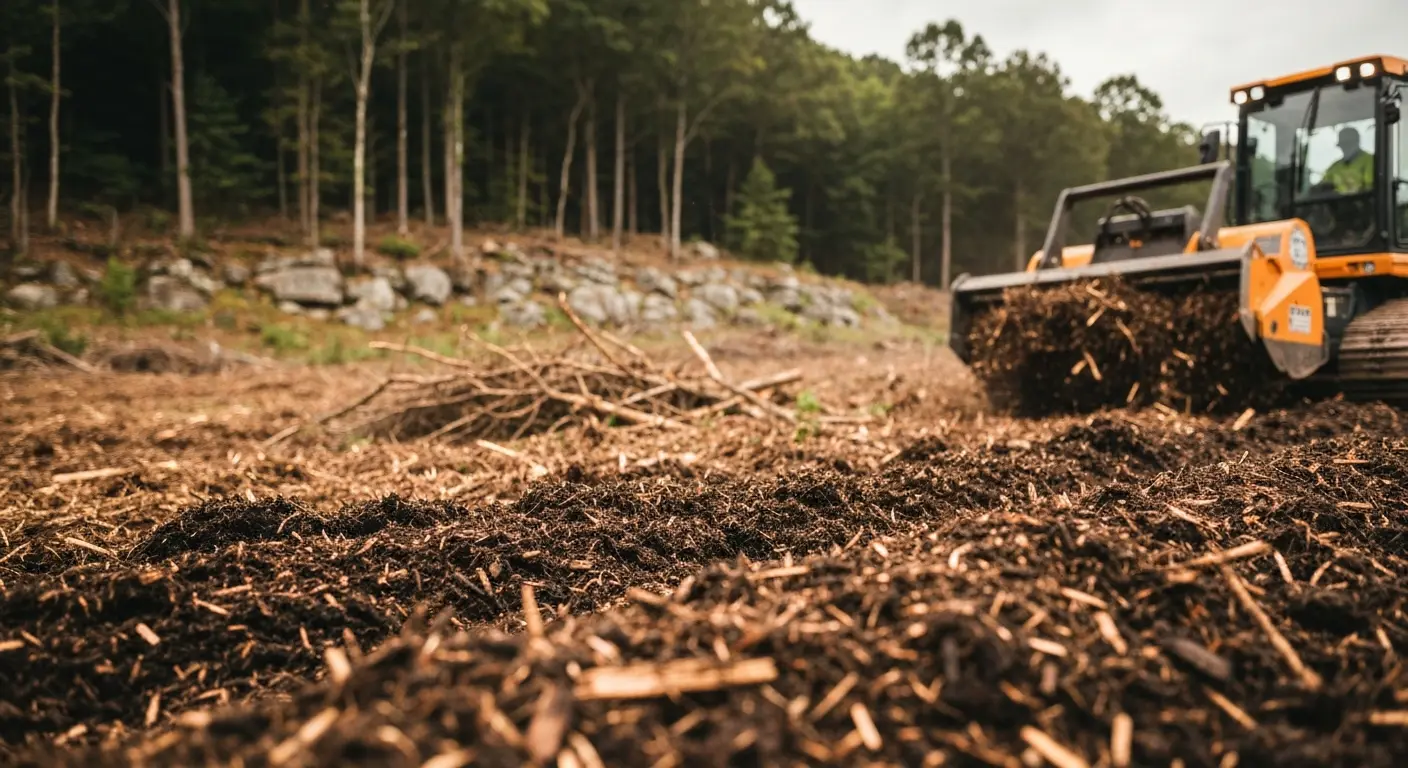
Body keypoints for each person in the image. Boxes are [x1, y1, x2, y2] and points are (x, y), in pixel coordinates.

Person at [1320, 127, 1375, 194]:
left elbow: (1371, 188)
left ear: (1356, 143)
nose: (1345, 149)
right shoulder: (1335, 167)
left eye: (1348, 144)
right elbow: (1322, 186)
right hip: (1340, 203)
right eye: (1343, 145)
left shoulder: (1370, 161)